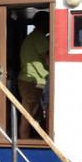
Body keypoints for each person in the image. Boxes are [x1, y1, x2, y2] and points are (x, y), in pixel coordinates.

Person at [17, 11, 49, 139]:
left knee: (33, 114)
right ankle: (24, 144)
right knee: (30, 114)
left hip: (32, 80)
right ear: (43, 23)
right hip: (31, 81)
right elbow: (49, 59)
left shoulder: (34, 36)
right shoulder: (39, 37)